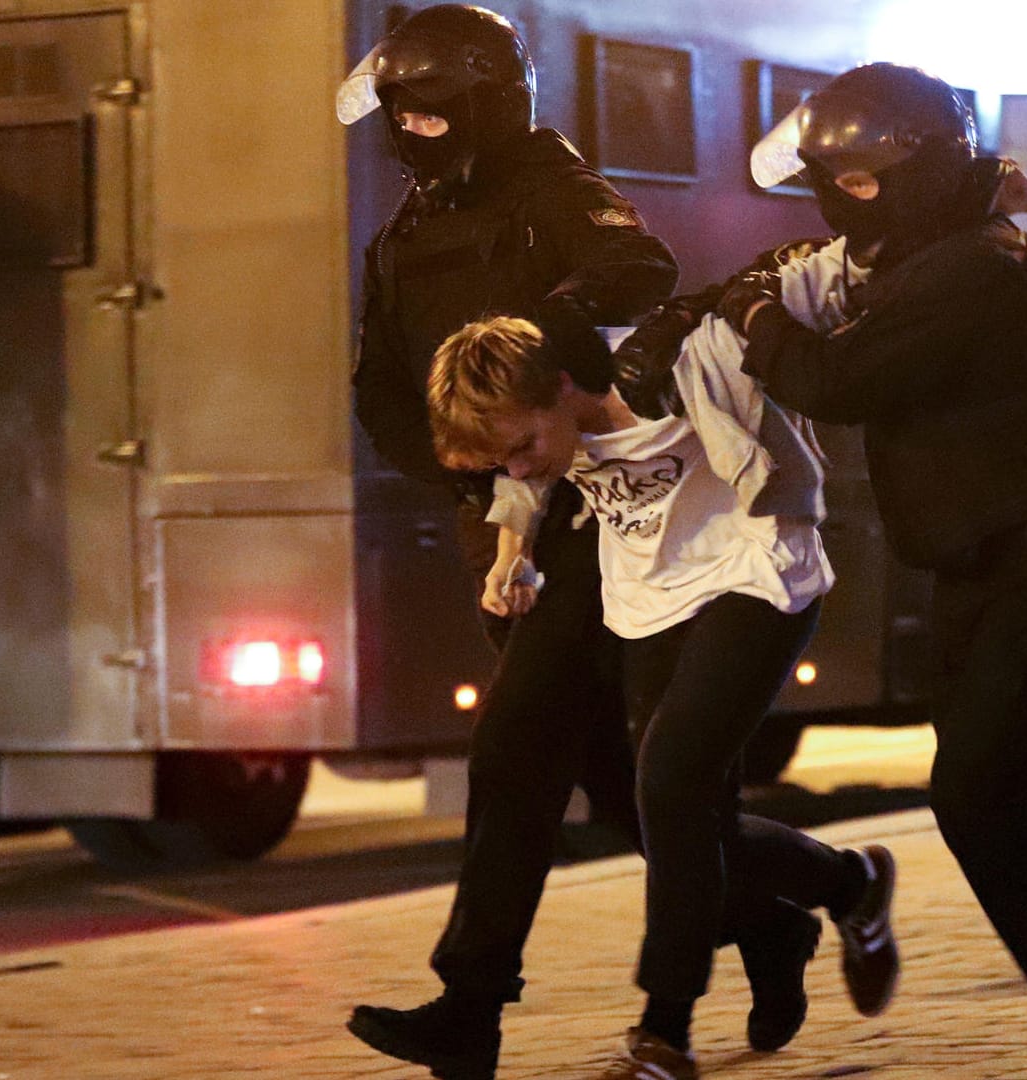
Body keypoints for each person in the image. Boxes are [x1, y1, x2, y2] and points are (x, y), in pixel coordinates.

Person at [620, 62, 1027, 1079]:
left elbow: (835, 378)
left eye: (863, 180)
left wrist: (752, 321)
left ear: (916, 168)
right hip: (991, 567)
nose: (843, 201)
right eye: (833, 181)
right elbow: (811, 290)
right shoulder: (923, 257)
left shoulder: (972, 270)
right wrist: (712, 305)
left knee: (979, 793)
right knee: (981, 796)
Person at [335, 9, 821, 1079]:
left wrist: (533, 365)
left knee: (523, 756)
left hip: (594, 516)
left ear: (489, 104)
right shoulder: (406, 231)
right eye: (402, 114)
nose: (415, 130)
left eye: (434, 111)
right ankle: (781, 917)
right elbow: (377, 384)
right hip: (503, 510)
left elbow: (634, 267)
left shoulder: (551, 184)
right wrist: (471, 473)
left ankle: (472, 1010)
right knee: (623, 794)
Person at [426, 307, 898, 1080]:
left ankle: (663, 1033)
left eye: (522, 447)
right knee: (686, 820)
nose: (518, 467)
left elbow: (810, 282)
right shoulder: (546, 436)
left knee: (670, 778)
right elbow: (525, 485)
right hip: (650, 599)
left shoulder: (682, 368)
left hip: (757, 576)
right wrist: (510, 553)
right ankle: (849, 883)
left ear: (566, 388)